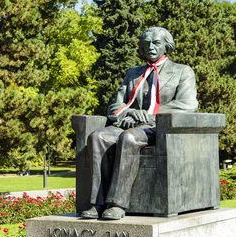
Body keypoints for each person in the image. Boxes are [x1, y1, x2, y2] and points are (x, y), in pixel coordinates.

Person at [82, 27, 198, 220]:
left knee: (129, 138)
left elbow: (188, 104)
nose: (150, 47)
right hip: (129, 123)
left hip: (159, 128)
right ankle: (98, 202)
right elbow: (116, 105)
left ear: (166, 45)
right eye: (146, 44)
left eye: (156, 43)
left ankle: (117, 204)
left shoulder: (182, 72)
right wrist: (132, 113)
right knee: (98, 136)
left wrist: (150, 115)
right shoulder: (133, 74)